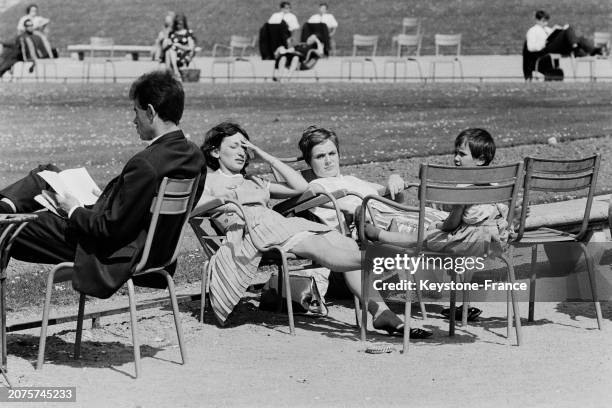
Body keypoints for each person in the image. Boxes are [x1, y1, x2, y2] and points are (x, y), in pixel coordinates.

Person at [194, 122, 432, 338]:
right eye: (234, 146)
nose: (241, 152)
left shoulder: (255, 182)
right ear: (215, 151)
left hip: (280, 225)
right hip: (257, 232)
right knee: (321, 248)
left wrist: (264, 155)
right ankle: (390, 259)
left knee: (347, 244)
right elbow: (190, 211)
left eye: (244, 147)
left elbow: (300, 186)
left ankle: (381, 312)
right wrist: (220, 199)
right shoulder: (208, 181)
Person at [0, 70, 206, 298]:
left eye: (135, 111)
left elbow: (108, 229)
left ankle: (5, 213)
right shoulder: (194, 156)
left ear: (150, 111)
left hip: (110, 251)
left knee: (6, 227)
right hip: (153, 250)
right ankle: (6, 206)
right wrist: (110, 200)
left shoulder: (146, 164)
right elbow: (142, 214)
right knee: (46, 173)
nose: (134, 120)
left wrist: (74, 210)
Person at [361, 129, 511, 321]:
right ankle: (463, 307)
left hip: (469, 241)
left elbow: (452, 224)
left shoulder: (464, 187)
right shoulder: (494, 185)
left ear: (480, 160)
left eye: (462, 154)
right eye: (455, 152)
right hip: (494, 240)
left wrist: (440, 226)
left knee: (423, 236)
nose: (456, 158)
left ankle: (380, 235)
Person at [297, 125, 447, 238]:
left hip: (394, 214)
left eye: (332, 153)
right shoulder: (317, 185)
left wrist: (394, 178)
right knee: (438, 230)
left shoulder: (350, 180)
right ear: (309, 162)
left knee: (452, 221)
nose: (328, 161)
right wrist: (345, 207)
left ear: (339, 154)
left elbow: (393, 194)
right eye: (320, 156)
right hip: (374, 224)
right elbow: (312, 197)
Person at [525, 10, 602, 57]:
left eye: (547, 21)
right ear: (537, 20)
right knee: (568, 30)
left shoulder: (547, 29)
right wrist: (543, 43)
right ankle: (577, 49)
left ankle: (592, 50)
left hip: (555, 47)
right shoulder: (532, 31)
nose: (546, 23)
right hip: (544, 49)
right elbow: (530, 47)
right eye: (543, 21)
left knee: (576, 35)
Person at [165, 13, 196, 79]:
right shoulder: (172, 33)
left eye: (180, 24)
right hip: (172, 53)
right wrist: (167, 42)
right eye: (177, 24)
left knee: (169, 52)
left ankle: (171, 73)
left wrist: (180, 46)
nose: (179, 26)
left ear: (184, 23)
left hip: (183, 54)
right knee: (169, 51)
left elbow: (190, 48)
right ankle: (174, 72)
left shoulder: (188, 33)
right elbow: (167, 45)